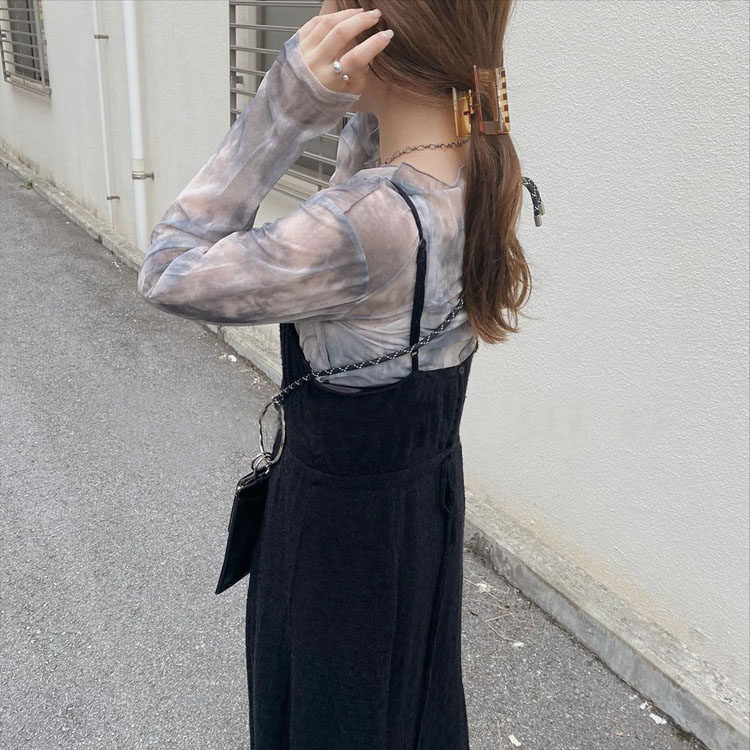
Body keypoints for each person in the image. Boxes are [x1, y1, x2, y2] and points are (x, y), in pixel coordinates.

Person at [137, 1, 543, 747]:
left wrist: (285, 107)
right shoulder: (477, 166)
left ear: (374, 37)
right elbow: (370, 201)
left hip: (336, 541)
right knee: (406, 705)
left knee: (331, 718)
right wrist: (359, 108)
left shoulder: (362, 223)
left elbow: (168, 270)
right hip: (423, 512)